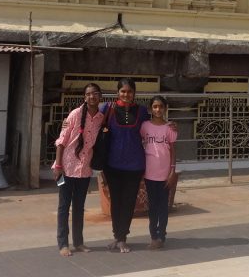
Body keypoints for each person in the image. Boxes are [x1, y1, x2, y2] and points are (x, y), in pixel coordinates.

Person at [52, 83, 105, 257]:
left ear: (100, 97)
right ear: (84, 97)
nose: (92, 97)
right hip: (65, 169)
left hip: (84, 170)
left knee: (79, 207)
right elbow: (61, 141)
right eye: (89, 94)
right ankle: (63, 244)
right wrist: (58, 166)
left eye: (95, 94)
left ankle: (79, 242)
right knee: (63, 206)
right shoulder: (74, 114)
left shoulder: (100, 118)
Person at [101, 77, 150, 253]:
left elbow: (155, 126)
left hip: (134, 165)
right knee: (116, 201)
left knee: (129, 202)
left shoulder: (143, 111)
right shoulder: (107, 109)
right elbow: (89, 121)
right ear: (117, 92)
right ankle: (117, 236)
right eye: (123, 91)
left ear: (134, 93)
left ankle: (123, 238)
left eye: (129, 91)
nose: (126, 94)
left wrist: (171, 126)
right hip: (112, 165)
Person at [140, 95, 178, 250]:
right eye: (155, 106)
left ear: (165, 108)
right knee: (153, 206)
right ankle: (153, 235)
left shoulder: (170, 128)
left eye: (161, 106)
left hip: (165, 174)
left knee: (163, 206)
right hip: (149, 173)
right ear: (150, 109)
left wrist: (172, 171)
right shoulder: (144, 126)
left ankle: (161, 235)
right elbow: (140, 143)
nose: (158, 109)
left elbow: (173, 151)